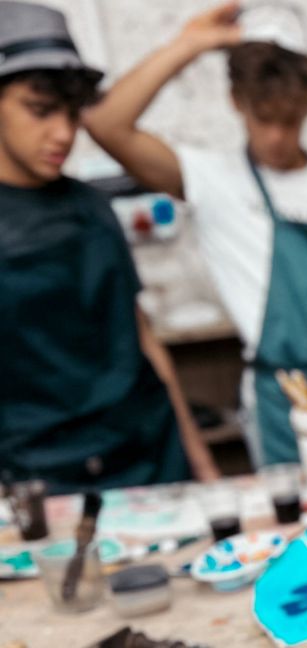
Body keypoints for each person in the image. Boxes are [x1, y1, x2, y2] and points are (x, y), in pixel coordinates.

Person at [84, 2, 307, 468]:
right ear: (237, 102)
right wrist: (188, 45)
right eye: (265, 119)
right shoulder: (212, 180)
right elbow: (105, 123)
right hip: (290, 400)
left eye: (292, 119)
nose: (278, 137)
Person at [0, 0, 219, 494]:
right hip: (46, 479)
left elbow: (140, 335)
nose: (63, 133)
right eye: (39, 111)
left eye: (71, 113)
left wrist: (201, 462)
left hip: (152, 455)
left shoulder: (90, 206)